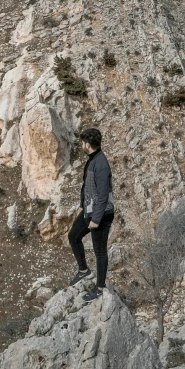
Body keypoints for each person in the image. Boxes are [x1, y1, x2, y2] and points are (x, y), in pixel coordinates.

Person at [67, 127, 115, 301]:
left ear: (87, 144)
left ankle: (100, 288)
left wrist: (96, 219)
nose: (81, 144)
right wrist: (82, 206)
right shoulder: (92, 159)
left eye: (82, 142)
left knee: (99, 251)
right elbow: (87, 186)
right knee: (73, 236)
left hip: (101, 214)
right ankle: (83, 270)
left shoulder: (101, 164)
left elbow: (103, 195)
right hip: (89, 209)